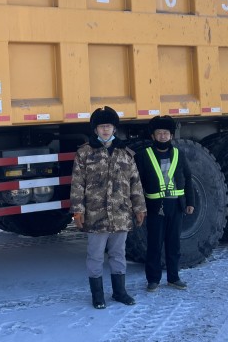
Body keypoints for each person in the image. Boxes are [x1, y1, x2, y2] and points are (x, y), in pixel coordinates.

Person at [71, 107, 147, 308]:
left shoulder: (125, 153)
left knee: (118, 254)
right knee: (95, 256)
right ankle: (98, 295)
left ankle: (120, 292)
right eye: (101, 127)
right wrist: (78, 211)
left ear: (114, 129)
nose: (105, 130)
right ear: (95, 130)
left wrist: (139, 208)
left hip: (121, 214)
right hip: (96, 216)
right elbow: (77, 184)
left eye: (109, 126)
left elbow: (135, 183)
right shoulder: (85, 153)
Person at [134, 115, 194, 292]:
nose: (162, 136)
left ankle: (174, 278)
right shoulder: (144, 156)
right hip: (155, 208)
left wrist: (190, 202)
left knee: (174, 244)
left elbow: (188, 178)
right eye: (159, 133)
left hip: (176, 207)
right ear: (153, 136)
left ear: (171, 136)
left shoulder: (179, 154)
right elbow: (137, 184)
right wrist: (140, 207)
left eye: (166, 133)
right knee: (154, 245)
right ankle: (153, 279)